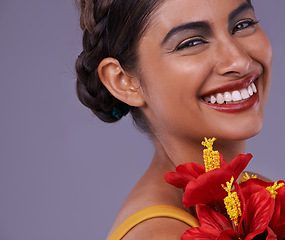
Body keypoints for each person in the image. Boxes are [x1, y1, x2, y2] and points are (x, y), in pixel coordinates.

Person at [75, 0, 272, 239]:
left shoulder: (255, 194)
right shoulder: (161, 234)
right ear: (123, 81)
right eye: (192, 42)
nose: (239, 61)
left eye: (242, 25)